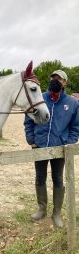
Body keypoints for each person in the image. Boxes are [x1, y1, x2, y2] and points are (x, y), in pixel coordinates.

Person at [24, 70, 79, 228]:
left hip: (60, 148)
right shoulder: (39, 98)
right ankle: (41, 209)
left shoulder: (73, 103)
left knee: (58, 178)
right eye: (53, 77)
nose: (55, 80)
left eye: (59, 79)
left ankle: (56, 213)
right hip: (39, 146)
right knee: (40, 177)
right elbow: (28, 121)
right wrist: (32, 140)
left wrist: (67, 143)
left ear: (65, 83)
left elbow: (75, 127)